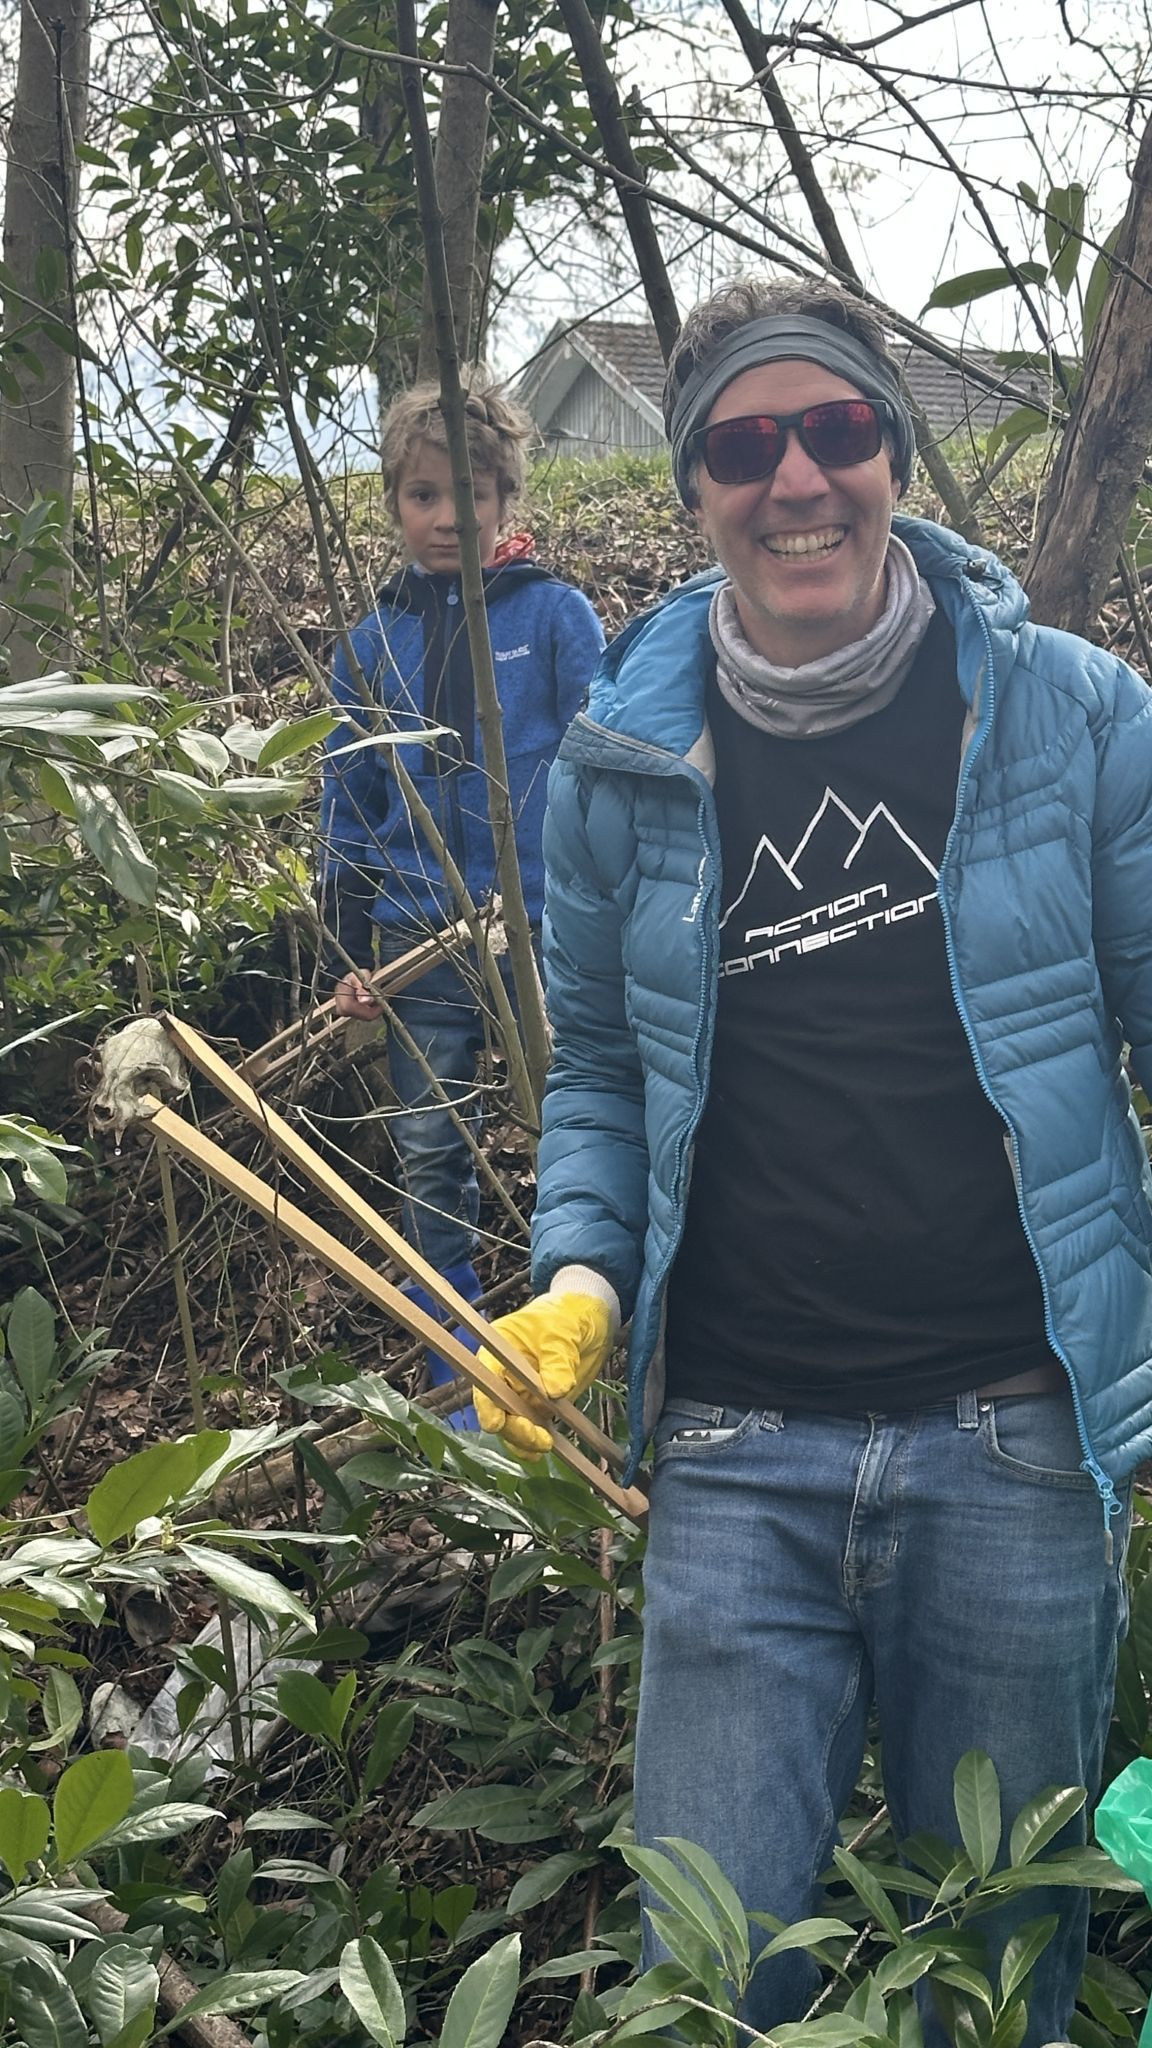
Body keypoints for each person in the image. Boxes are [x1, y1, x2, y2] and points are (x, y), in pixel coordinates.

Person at [473, 279, 1152, 2042]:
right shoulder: (616, 762)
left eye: (836, 430)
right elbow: (605, 1077)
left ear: (891, 447)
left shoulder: (1077, 718)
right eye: (745, 443)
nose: (797, 481)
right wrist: (579, 1278)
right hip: (731, 1457)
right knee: (709, 1990)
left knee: (993, 1979)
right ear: (695, 479)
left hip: (1013, 1443)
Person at [318, 372, 604, 1411]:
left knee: (571, 1130)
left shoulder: (557, 617)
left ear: (505, 499)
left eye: (471, 494)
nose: (447, 519)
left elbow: (604, 767)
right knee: (430, 1152)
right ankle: (456, 1372)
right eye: (423, 496)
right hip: (417, 935)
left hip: (539, 932)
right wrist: (349, 945)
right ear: (393, 502)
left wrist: (602, 908)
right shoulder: (370, 642)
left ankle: (573, 1347)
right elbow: (345, 798)